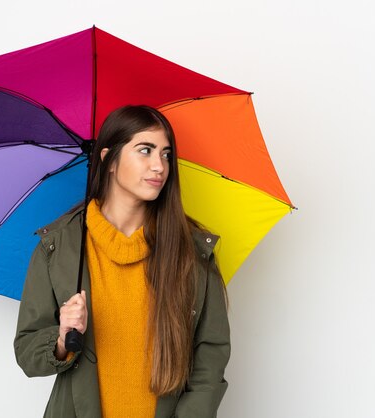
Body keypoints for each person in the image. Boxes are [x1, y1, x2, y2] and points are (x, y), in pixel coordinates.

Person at [14, 105, 230, 418]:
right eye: (145, 150)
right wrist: (61, 340)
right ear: (108, 159)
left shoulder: (192, 250)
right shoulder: (57, 246)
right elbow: (27, 352)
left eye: (166, 154)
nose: (160, 166)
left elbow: (210, 357)